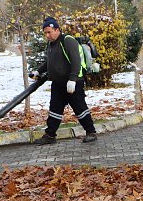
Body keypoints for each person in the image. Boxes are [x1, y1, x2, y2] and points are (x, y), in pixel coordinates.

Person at [31, 16, 97, 145]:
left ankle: (91, 132)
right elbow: (49, 62)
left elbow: (76, 61)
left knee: (79, 108)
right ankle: (50, 135)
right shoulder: (51, 44)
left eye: (49, 32)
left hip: (72, 83)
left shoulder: (67, 40)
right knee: (54, 109)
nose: (47, 35)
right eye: (45, 33)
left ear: (57, 29)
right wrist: (38, 71)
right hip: (58, 83)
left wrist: (72, 80)